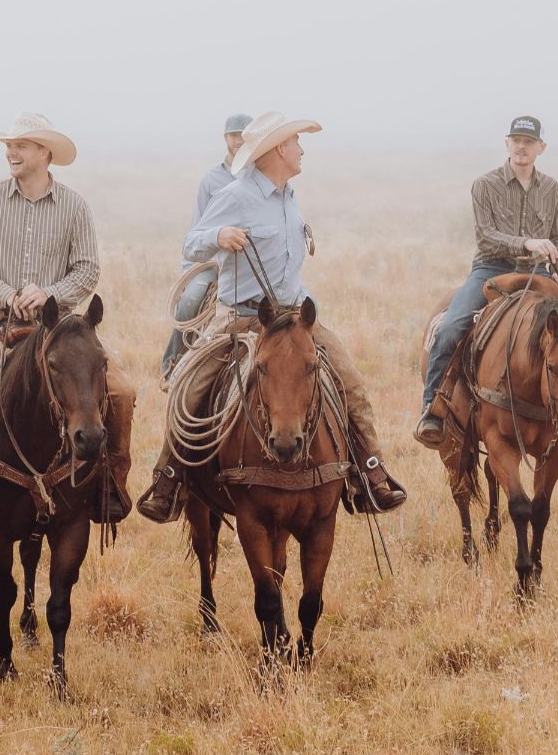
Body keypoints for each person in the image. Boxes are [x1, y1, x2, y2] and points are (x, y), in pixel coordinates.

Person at [137, 113, 407, 521]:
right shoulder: (236, 194)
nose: (302, 149)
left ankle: (370, 470)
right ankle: (168, 479)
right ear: (279, 149)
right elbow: (191, 243)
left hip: (295, 315)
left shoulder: (289, 196)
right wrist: (218, 236)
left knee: (349, 380)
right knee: (192, 389)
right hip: (242, 318)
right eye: (297, 142)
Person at [0, 111, 137, 529]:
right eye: (8, 146)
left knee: (123, 391)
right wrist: (9, 294)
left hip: (60, 324)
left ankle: (110, 482)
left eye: (20, 145)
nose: (10, 152)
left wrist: (50, 293)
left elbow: (87, 269)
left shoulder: (74, 206)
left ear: (44, 152)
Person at [415, 116, 558, 450]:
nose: (522, 147)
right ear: (507, 144)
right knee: (451, 327)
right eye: (516, 140)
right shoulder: (485, 184)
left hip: (542, 273)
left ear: (541, 148)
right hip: (492, 269)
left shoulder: (551, 188)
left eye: (529, 141)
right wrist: (527, 243)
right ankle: (432, 410)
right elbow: (486, 234)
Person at [160, 113, 252, 381]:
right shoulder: (211, 180)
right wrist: (193, 270)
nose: (239, 141)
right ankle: (173, 361)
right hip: (213, 260)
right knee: (190, 300)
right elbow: (197, 226)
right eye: (234, 135)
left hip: (248, 262)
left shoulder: (260, 176)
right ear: (226, 139)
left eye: (245, 136)